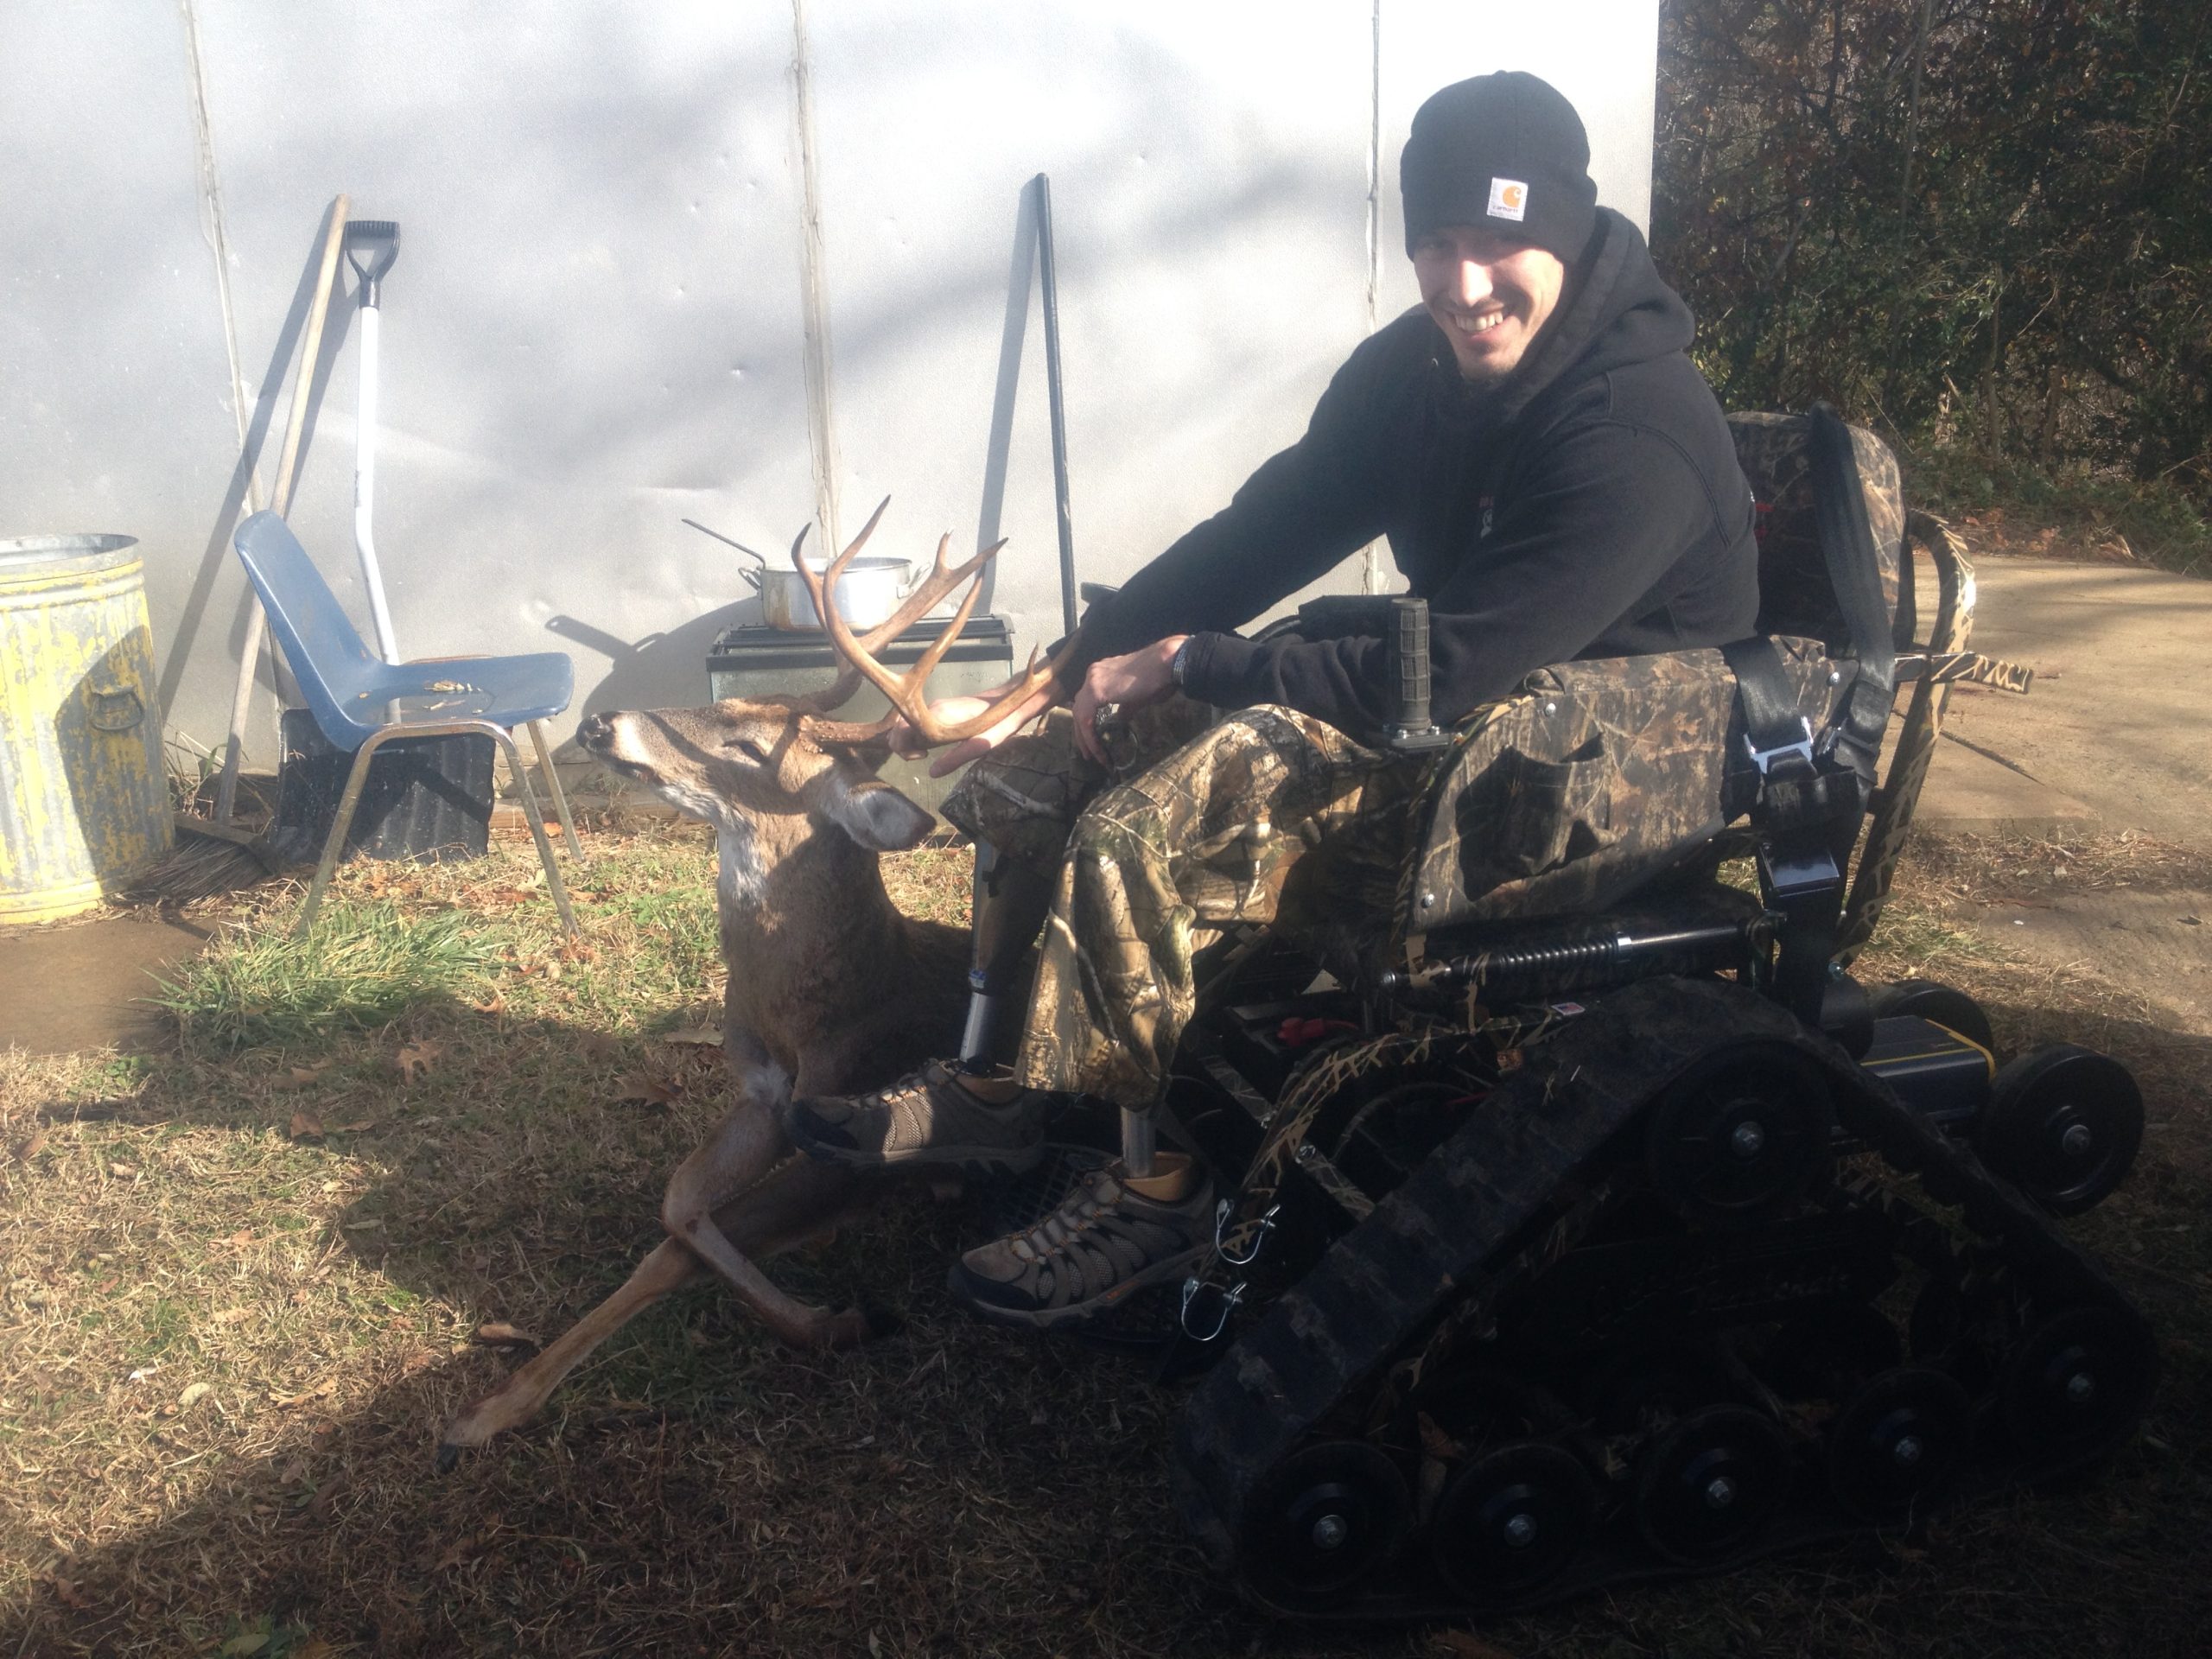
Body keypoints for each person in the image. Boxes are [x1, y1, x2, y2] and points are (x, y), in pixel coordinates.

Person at [783, 70, 1761, 1330]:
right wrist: (1086, 660)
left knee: (1154, 825)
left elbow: (1451, 668)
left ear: (1567, 231)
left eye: (1499, 241)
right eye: (1437, 242)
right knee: (1056, 764)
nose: (1465, 284)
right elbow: (1270, 529)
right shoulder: (1421, 373)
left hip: (1586, 792)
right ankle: (997, 1087)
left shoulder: (1633, 432)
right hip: (1462, 715)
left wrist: (1198, 664)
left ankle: (1159, 1195)